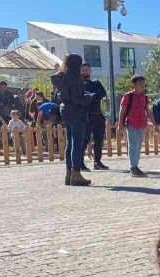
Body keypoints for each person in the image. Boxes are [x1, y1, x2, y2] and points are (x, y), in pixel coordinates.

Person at [51, 54, 93, 186]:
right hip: (76, 112)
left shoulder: (62, 77)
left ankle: (69, 173)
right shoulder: (75, 78)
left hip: (66, 112)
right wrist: (88, 97)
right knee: (77, 143)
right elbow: (77, 99)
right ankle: (76, 174)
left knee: (69, 143)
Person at [118, 75, 157, 178]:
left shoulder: (144, 97)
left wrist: (154, 123)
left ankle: (136, 166)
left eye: (143, 84)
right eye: (140, 84)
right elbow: (122, 110)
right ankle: (133, 167)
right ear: (133, 85)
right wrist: (120, 124)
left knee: (139, 146)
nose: (142, 86)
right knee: (132, 145)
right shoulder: (128, 96)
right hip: (131, 123)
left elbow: (148, 111)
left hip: (141, 124)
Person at [80, 63, 109, 170]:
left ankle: (97, 162)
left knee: (99, 140)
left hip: (98, 115)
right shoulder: (79, 84)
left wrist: (90, 96)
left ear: (90, 71)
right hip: (86, 116)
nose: (85, 72)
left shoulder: (96, 82)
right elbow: (81, 97)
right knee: (85, 140)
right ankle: (80, 162)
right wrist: (93, 95)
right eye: (83, 70)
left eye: (87, 70)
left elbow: (103, 93)